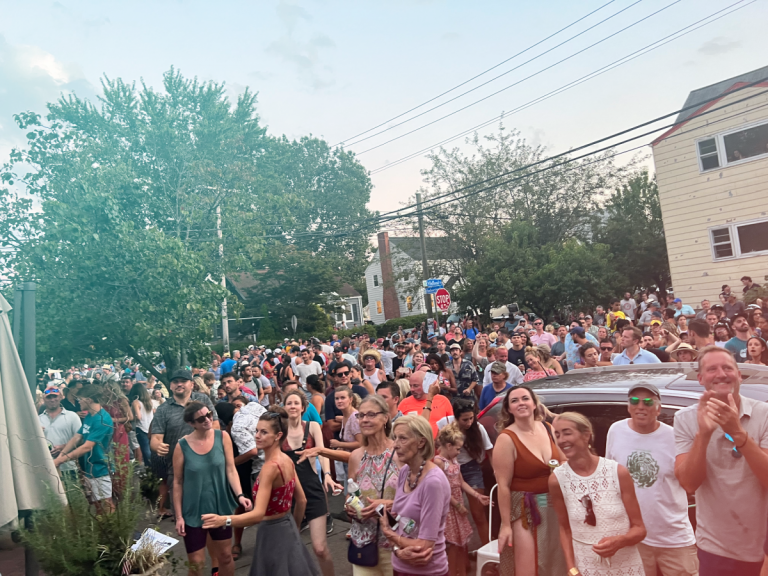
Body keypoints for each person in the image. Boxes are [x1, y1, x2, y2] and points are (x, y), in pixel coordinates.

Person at [674, 346, 768, 575]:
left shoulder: (764, 414)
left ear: (739, 375)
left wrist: (737, 433)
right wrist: (703, 434)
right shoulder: (685, 419)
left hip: (762, 548)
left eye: (727, 367)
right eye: (712, 369)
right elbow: (688, 483)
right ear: (700, 378)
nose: (721, 374)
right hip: (715, 549)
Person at [202, 409, 321, 576]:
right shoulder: (287, 459)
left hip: (271, 532)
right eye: (256, 430)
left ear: (278, 435)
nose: (257, 435)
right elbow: (301, 501)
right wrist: (294, 527)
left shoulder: (269, 468)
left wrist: (223, 520)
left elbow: (257, 515)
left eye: (263, 432)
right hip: (288, 527)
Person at [606, 384, 697, 576]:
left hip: (674, 537)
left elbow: (689, 483)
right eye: (634, 401)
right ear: (628, 406)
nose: (641, 406)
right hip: (632, 537)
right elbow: (610, 479)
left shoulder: (674, 437)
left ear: (658, 408)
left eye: (648, 402)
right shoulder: (615, 431)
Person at [550, 411, 646, 576]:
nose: (561, 440)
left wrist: (620, 541)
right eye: (557, 435)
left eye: (567, 433)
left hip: (626, 566)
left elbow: (640, 529)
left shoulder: (617, 472)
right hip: (586, 568)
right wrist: (572, 569)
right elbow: (565, 529)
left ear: (586, 435)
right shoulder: (557, 480)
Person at [493, 386, 566, 576]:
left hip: (552, 504)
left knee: (554, 562)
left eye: (525, 398)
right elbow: (503, 486)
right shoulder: (506, 439)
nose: (521, 403)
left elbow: (565, 462)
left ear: (534, 404)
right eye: (514, 401)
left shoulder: (548, 428)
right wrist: (506, 525)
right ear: (508, 409)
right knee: (529, 566)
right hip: (524, 509)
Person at [172, 402, 250, 576]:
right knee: (196, 564)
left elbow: (231, 469)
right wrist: (179, 516)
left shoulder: (222, 437)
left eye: (208, 415)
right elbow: (177, 482)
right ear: (191, 423)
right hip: (193, 511)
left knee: (225, 556)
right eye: (201, 419)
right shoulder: (182, 446)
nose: (207, 420)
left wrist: (239, 495)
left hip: (220, 507)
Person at [379, 415, 451, 576]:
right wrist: (397, 549)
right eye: (395, 438)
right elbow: (400, 522)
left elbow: (424, 545)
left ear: (421, 442)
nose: (395, 445)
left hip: (428, 571)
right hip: (400, 566)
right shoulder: (405, 471)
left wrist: (389, 534)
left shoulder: (433, 482)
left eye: (402, 438)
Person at [282, 389, 339, 575]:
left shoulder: (312, 426)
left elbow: (321, 452)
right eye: (289, 403)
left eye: (296, 403)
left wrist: (328, 475)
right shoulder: (279, 430)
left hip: (312, 488)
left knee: (320, 549)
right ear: (284, 407)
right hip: (287, 493)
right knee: (290, 548)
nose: (292, 406)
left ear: (303, 407)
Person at [151, 369, 220, 515]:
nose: (179, 384)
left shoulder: (203, 400)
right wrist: (158, 446)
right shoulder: (163, 409)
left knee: (211, 514)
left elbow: (215, 425)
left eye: (183, 381)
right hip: (177, 470)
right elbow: (155, 438)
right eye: (175, 382)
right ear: (170, 386)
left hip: (206, 464)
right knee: (184, 515)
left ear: (192, 384)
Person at [52, 385, 115, 511]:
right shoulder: (89, 416)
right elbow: (77, 438)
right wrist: (61, 455)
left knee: (106, 503)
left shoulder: (102, 419)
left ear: (89, 400)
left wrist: (60, 460)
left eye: (80, 399)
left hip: (101, 466)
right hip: (90, 466)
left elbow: (87, 447)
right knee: (97, 503)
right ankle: (102, 528)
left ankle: (111, 530)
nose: (78, 402)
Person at [434, 424, 480, 576]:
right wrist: (458, 505)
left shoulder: (454, 461)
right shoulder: (439, 462)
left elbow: (461, 482)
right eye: (458, 448)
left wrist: (477, 495)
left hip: (457, 503)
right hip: (449, 506)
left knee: (461, 543)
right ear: (448, 445)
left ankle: (461, 571)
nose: (459, 452)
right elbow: (442, 489)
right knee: (452, 544)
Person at [39, 384, 82, 481]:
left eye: (55, 396)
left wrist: (64, 447)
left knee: (71, 495)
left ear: (61, 397)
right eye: (49, 397)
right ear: (44, 399)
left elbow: (81, 439)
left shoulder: (72, 416)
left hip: (68, 466)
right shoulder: (38, 419)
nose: (52, 399)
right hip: (46, 466)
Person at [398, 369, 454, 437]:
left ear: (426, 384)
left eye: (416, 386)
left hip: (439, 445)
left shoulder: (443, 400)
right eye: (410, 386)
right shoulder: (404, 403)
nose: (412, 389)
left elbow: (452, 426)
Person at [330, 385, 362, 487]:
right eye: (337, 398)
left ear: (350, 399)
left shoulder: (355, 418)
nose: (339, 401)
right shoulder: (345, 416)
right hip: (348, 462)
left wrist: (339, 443)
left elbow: (361, 443)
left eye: (343, 398)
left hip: (357, 464)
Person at [129, 382, 155, 465]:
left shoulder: (135, 402)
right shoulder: (149, 402)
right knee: (150, 448)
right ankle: (153, 466)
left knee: (145, 449)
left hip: (140, 428)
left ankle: (149, 467)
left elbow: (138, 417)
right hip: (150, 427)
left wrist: (131, 416)